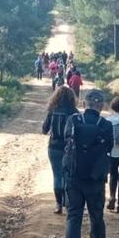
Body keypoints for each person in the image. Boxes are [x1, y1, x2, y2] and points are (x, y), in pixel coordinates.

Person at [62, 89, 114, 238]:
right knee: (96, 215)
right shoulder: (106, 125)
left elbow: (65, 141)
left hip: (74, 177)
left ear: (84, 104)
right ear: (102, 106)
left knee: (74, 215)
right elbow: (110, 147)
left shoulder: (73, 120)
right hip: (96, 179)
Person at [42, 86, 78, 214]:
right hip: (70, 149)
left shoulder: (53, 111)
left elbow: (44, 129)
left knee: (57, 175)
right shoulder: (74, 112)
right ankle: (68, 203)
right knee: (69, 175)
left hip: (54, 147)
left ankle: (58, 204)